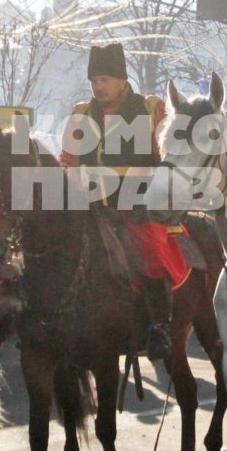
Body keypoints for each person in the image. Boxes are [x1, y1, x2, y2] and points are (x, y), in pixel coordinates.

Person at [60, 42, 185, 356]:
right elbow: (69, 162)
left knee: (151, 247)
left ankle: (159, 325)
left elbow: (166, 156)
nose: (98, 87)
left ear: (121, 79)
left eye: (104, 80)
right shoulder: (80, 114)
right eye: (94, 81)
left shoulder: (150, 108)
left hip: (137, 202)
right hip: (90, 204)